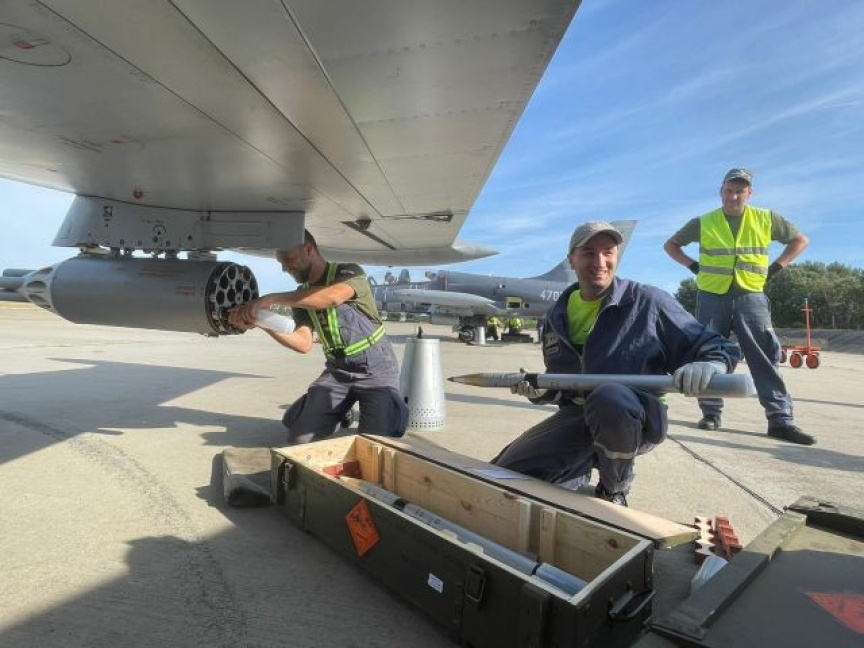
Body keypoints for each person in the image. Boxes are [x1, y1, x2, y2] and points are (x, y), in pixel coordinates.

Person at [492, 220, 738, 506]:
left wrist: (711, 364)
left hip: (635, 418)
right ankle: (576, 470)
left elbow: (716, 345)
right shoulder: (556, 316)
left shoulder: (648, 302)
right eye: (589, 253)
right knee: (504, 473)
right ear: (571, 259)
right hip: (580, 417)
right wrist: (541, 392)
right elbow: (566, 384)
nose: (600, 262)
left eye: (608, 252)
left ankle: (614, 488)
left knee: (609, 396)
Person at [663, 168, 812, 445]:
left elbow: (800, 240)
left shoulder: (766, 218)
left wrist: (778, 266)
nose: (733, 196)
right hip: (712, 295)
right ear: (721, 191)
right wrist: (693, 266)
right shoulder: (704, 221)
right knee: (708, 354)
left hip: (751, 295)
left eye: (740, 191)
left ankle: (780, 419)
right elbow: (671, 245)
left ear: (749, 193)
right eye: (729, 190)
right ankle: (711, 414)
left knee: (764, 355)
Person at [229, 230, 409, 444]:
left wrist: (272, 298)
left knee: (375, 445)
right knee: (300, 440)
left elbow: (331, 297)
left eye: (288, 259)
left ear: (308, 250)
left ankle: (345, 410)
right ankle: (340, 409)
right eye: (281, 262)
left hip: (376, 368)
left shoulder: (349, 272)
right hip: (338, 370)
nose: (285, 268)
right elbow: (303, 343)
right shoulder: (301, 295)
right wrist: (261, 322)